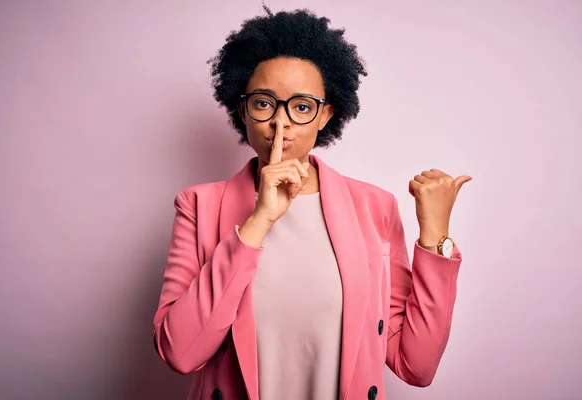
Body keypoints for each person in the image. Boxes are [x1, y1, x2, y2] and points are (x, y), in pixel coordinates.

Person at [153, 6, 471, 400]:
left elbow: (415, 365)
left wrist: (435, 236)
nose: (280, 124)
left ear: (326, 115)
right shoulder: (198, 206)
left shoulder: (374, 207)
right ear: (242, 110)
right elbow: (179, 352)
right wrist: (259, 219)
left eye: (301, 107)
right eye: (264, 103)